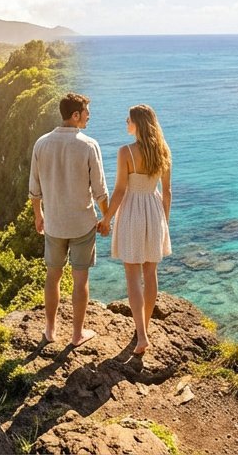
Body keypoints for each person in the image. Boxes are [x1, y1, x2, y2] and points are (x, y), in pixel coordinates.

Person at [28, 92, 108, 346]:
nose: (89, 117)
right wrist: (107, 218)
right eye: (86, 113)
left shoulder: (41, 143)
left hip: (54, 223)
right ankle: (77, 335)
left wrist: (38, 215)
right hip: (82, 223)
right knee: (80, 278)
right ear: (75, 115)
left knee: (53, 276)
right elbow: (100, 191)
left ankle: (50, 330)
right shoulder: (88, 145)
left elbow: (34, 187)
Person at [99, 104, 172, 355]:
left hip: (131, 211)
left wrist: (107, 218)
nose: (125, 122)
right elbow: (167, 192)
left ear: (138, 123)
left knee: (132, 275)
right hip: (154, 211)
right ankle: (145, 327)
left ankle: (141, 335)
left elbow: (119, 191)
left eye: (128, 119)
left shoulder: (125, 152)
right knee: (150, 273)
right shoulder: (163, 151)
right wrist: (165, 223)